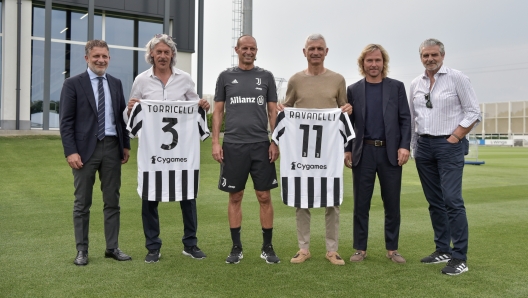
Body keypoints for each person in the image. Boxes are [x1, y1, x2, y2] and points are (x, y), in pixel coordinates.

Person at [126, 34, 210, 263]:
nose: (163, 56)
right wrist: (130, 107)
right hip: (153, 151)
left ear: (172, 54)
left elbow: (196, 107)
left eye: (166, 52)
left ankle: (190, 244)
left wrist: (203, 105)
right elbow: (130, 116)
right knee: (149, 198)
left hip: (181, 152)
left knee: (188, 196)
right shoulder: (141, 80)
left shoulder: (185, 79)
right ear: (151, 54)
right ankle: (153, 247)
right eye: (158, 52)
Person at [409, 38, 481, 275]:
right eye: (425, 56)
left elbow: (473, 111)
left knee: (452, 200)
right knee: (435, 202)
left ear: (442, 55)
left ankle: (460, 257)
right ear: (420, 57)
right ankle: (443, 249)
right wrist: (413, 147)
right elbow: (412, 119)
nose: (430, 59)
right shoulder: (415, 84)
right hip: (424, 146)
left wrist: (456, 136)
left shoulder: (457, 78)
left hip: (449, 144)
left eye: (434, 55)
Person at [279, 34, 352, 265]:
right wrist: (283, 109)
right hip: (301, 150)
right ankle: (303, 248)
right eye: (312, 48)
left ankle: (332, 250)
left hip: (329, 150)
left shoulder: (338, 79)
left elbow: (343, 109)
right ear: (304, 52)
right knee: (302, 198)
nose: (316, 52)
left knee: (333, 200)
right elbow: (287, 109)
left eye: (320, 48)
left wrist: (347, 109)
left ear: (326, 51)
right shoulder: (295, 80)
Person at [60, 40, 132, 266]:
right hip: (84, 151)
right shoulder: (72, 84)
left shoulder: (116, 83)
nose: (101, 60)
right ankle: (82, 250)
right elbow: (66, 122)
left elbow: (122, 118)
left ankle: (112, 248)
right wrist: (70, 151)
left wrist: (126, 145)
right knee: (82, 203)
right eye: (96, 56)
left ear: (109, 58)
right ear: (86, 59)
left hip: (112, 147)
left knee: (112, 201)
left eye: (105, 56)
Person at [212, 35, 280, 264]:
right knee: (236, 196)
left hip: (261, 145)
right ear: (237, 49)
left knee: (264, 196)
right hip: (233, 145)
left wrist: (275, 141)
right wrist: (215, 142)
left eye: (252, 48)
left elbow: (273, 113)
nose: (248, 51)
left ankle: (267, 247)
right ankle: (236, 247)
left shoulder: (266, 77)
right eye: (244, 48)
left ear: (256, 51)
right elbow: (218, 111)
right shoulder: (225, 77)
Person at [344, 44, 411, 264]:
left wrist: (404, 146)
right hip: (363, 152)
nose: (374, 64)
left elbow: (405, 119)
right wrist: (347, 149)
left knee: (392, 203)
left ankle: (392, 249)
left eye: (378, 60)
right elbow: (349, 123)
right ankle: (360, 249)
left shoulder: (396, 87)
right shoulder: (353, 90)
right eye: (369, 61)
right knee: (360, 204)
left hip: (390, 153)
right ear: (363, 64)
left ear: (384, 63)